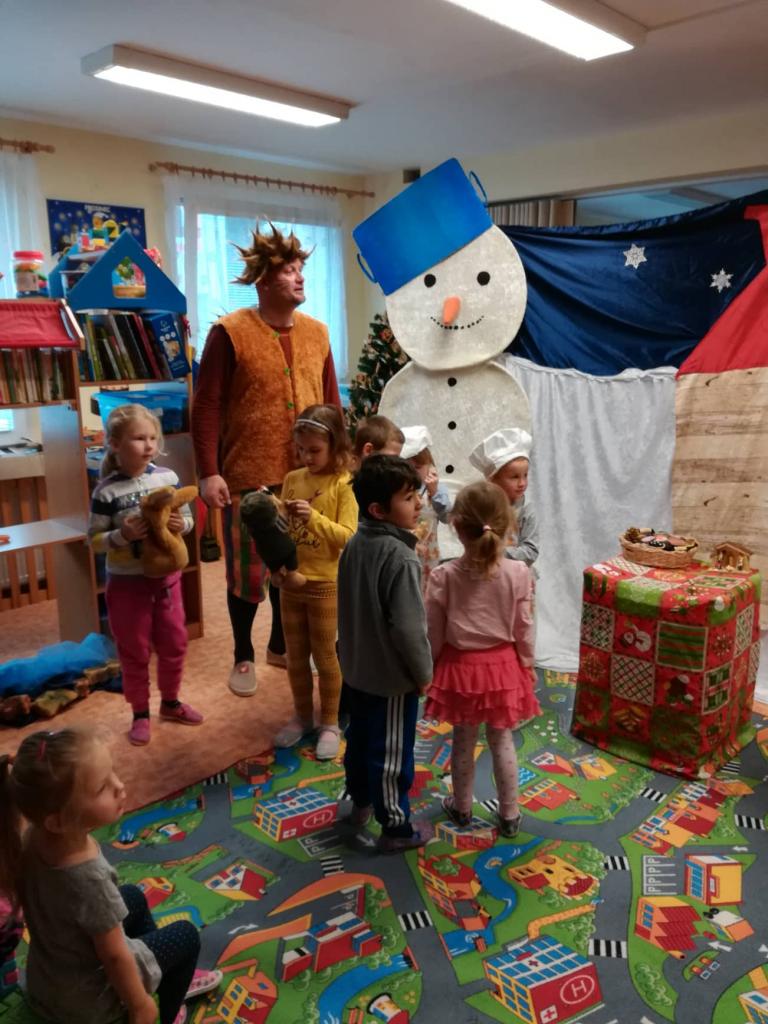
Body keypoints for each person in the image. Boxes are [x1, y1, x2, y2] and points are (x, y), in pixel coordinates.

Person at [191, 222, 341, 698]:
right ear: (262, 280)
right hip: (249, 477)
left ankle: (280, 645)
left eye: (300, 269)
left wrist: (340, 462)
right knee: (248, 572)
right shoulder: (230, 333)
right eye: (289, 271)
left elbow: (332, 403)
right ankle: (243, 652)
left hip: (308, 476)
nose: (300, 277)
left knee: (295, 563)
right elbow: (207, 404)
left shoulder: (318, 333)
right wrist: (208, 471)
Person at [0, 729, 221, 1024]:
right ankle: (167, 1009)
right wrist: (140, 1006)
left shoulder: (32, 837)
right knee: (186, 936)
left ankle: (163, 976)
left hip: (50, 983)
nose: (120, 786)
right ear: (58, 821)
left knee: (134, 897)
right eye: (102, 787)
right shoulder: (88, 878)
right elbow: (114, 956)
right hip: (92, 1004)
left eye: (112, 773)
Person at [424, 480, 539, 838]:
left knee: (463, 740)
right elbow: (524, 627)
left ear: (456, 526)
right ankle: (510, 814)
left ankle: (461, 807)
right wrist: (528, 664)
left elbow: (433, 631)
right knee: (502, 740)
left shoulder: (443, 575)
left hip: (460, 669)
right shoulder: (519, 573)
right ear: (507, 526)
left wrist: (432, 667)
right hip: (504, 668)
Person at [89, 405, 202, 747]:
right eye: (139, 438)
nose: (149, 444)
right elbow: (93, 540)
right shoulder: (105, 491)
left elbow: (188, 519)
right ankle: (140, 712)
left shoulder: (167, 478)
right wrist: (121, 535)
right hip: (126, 584)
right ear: (115, 444)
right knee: (134, 650)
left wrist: (182, 524)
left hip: (167, 580)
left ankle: (170, 702)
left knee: (175, 643)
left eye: (153, 437)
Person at [337, 455, 434, 853]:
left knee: (359, 740)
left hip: (356, 669)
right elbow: (409, 629)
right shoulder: (401, 557)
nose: (419, 503)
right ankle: (395, 827)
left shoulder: (355, 544)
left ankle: (360, 802)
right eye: (409, 498)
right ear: (379, 510)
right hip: (391, 680)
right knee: (391, 753)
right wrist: (424, 674)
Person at [273, 404, 357, 761]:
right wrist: (271, 514)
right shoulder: (293, 479)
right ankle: (303, 716)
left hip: (326, 584)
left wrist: (314, 518)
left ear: (335, 445)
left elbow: (349, 537)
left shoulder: (344, 484)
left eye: (315, 450)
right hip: (291, 583)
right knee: (295, 657)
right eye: (301, 449)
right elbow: (280, 530)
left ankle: (330, 724)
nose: (307, 457)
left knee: (325, 657)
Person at [469, 427, 539, 569]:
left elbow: (531, 551)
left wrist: (497, 553)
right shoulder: (482, 507)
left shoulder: (527, 510)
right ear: (493, 479)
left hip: (516, 576)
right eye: (514, 477)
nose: (522, 483)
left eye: (525, 475)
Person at [400, 425, 451, 591]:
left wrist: (434, 492)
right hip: (405, 551)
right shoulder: (399, 490)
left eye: (418, 467)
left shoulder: (436, 489)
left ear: (430, 465)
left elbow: (447, 517)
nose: (413, 473)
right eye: (407, 468)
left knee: (429, 591)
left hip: (429, 555)